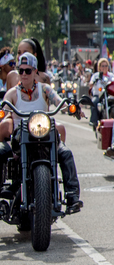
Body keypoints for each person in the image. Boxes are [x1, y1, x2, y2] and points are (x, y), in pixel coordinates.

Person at [0, 53, 83, 213]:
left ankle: (72, 197)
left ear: (35, 71)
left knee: (65, 153)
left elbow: (59, 102)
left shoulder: (45, 89)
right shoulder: (12, 93)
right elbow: (4, 106)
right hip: (20, 137)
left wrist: (72, 108)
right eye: (21, 70)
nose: (24, 74)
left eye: (27, 71)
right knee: (1, 152)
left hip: (44, 135)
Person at [89, 58, 114, 129]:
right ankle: (94, 121)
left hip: (109, 95)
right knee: (93, 102)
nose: (104, 68)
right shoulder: (96, 75)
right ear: (99, 67)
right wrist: (93, 82)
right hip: (98, 95)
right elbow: (90, 83)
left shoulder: (111, 76)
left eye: (106, 66)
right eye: (102, 66)